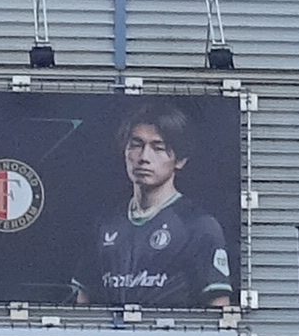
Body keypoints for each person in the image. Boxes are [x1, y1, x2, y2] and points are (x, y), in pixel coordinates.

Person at [81, 106, 237, 307]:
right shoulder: (105, 223)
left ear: (180, 160)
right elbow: (84, 298)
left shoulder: (199, 225)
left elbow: (218, 305)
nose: (144, 157)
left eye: (158, 147)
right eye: (136, 145)